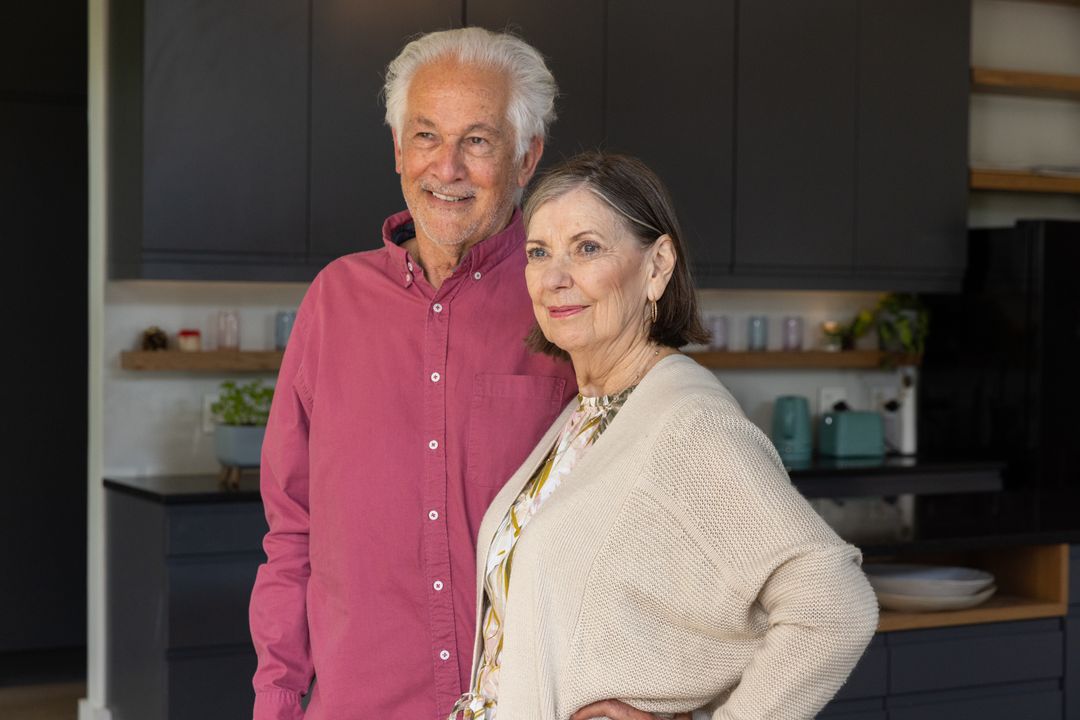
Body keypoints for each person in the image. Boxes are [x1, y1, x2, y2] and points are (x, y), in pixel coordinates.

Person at [453, 152, 879, 720]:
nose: (555, 278)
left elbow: (834, 604)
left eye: (587, 248)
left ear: (657, 266)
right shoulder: (587, 415)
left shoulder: (688, 423)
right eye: (539, 252)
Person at [248, 28, 578, 720]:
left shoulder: (568, 303)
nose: (447, 168)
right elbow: (291, 536)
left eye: (479, 141)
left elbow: (634, 530)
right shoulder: (333, 302)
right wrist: (277, 703)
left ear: (527, 158)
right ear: (399, 149)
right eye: (426, 135)